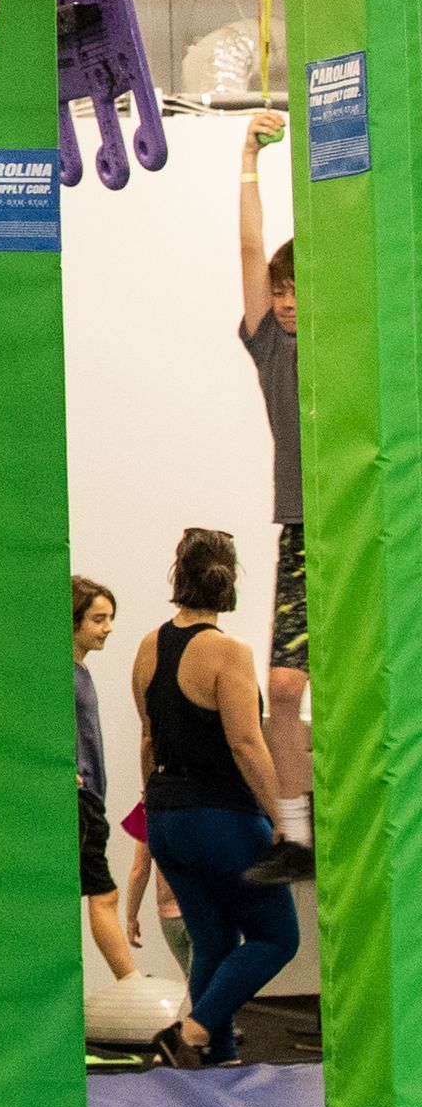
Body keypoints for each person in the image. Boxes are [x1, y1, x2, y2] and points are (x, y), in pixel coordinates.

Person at [132, 527, 290, 1066]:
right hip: (219, 817)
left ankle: (218, 1062)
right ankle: (193, 1028)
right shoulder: (229, 652)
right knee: (276, 938)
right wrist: (282, 817)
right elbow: (246, 743)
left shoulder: (148, 646)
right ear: (230, 581)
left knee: (214, 941)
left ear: (179, 574)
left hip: (168, 815)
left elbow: (149, 738)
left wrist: (153, 812)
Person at [238, 111, 314, 882]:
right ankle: (296, 833)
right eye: (282, 291)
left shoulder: (347, 343)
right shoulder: (271, 348)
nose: (287, 301)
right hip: (302, 527)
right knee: (283, 688)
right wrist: (248, 160)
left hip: (361, 522)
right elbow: (250, 251)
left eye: (298, 292)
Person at [73, 575, 135, 983]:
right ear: (72, 620)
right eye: (98, 619)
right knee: (104, 894)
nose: (108, 627)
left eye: (110, 618)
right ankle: (130, 982)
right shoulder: (63, 673)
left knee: (100, 893)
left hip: (90, 797)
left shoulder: (79, 673)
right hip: (80, 800)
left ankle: (129, 982)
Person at [121, 800, 190, 981]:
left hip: (170, 918)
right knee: (206, 987)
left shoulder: (148, 805)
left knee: (194, 985)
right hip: (206, 909)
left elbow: (140, 870)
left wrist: (131, 917)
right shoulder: (208, 795)